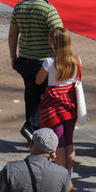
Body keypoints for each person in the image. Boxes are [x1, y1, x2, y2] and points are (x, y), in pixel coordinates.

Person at [9, 0, 63, 136]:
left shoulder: (20, 6)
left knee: (31, 96)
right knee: (48, 97)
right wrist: (60, 54)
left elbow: (13, 35)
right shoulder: (48, 9)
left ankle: (33, 130)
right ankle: (32, 127)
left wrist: (13, 56)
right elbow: (60, 34)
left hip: (25, 60)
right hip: (44, 63)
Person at [35, 28, 81, 173]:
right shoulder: (77, 60)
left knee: (58, 143)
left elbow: (38, 80)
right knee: (69, 141)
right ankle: (68, 177)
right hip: (70, 102)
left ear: (52, 43)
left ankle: (60, 179)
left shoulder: (49, 61)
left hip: (53, 105)